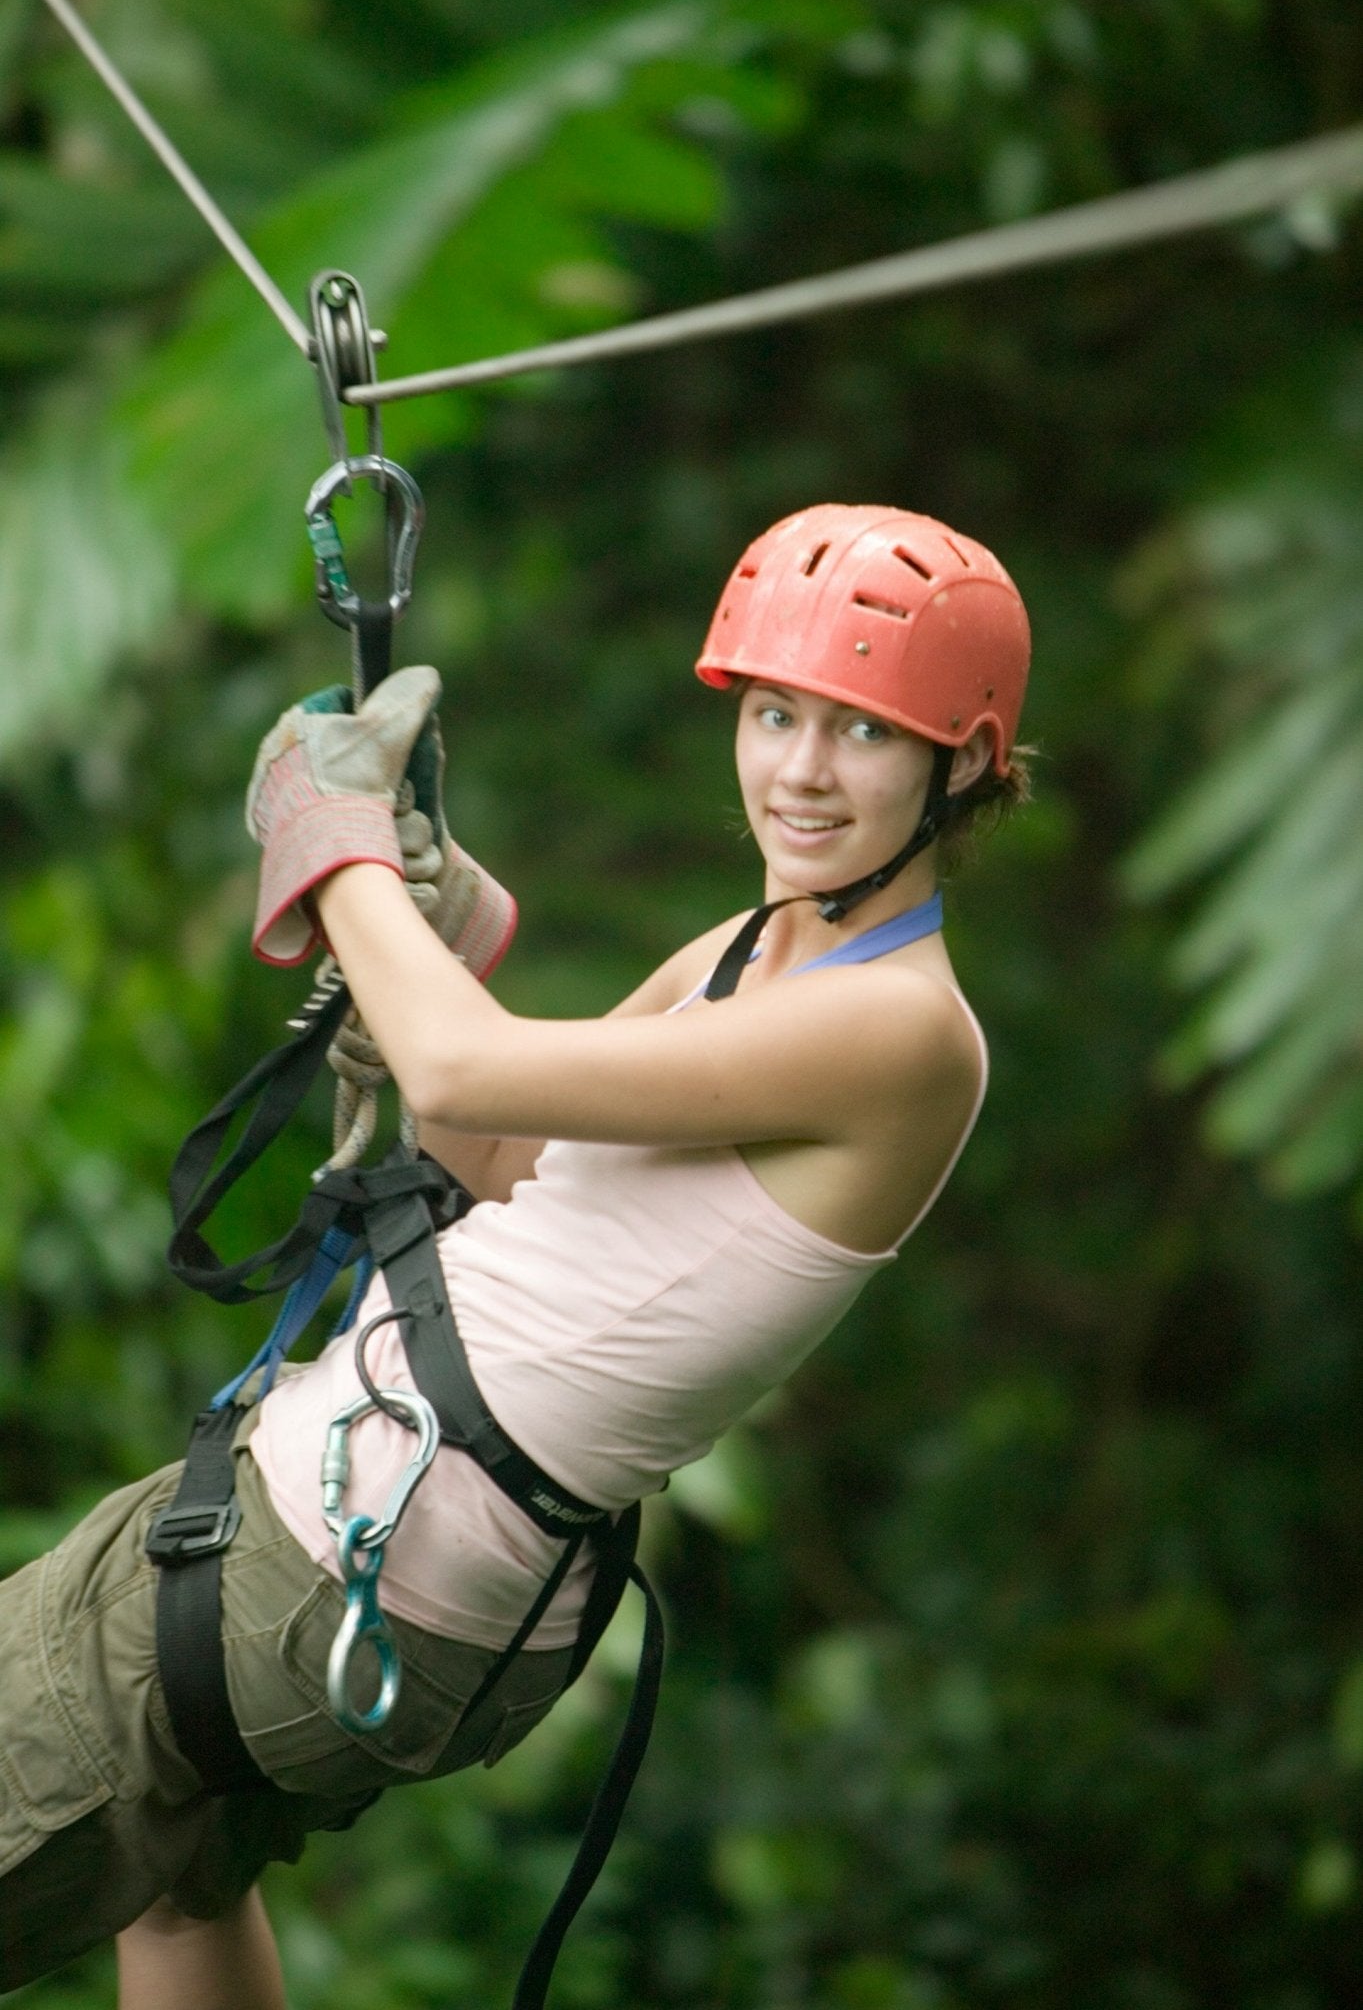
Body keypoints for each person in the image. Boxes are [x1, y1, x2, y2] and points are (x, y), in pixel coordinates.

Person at [0, 503, 1030, 2005]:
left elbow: (471, 1074)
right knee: (169, 1891)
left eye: (865, 732)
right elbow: (498, 1161)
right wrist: (424, 940)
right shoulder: (749, 951)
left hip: (356, 1551)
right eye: (776, 713)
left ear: (966, 764)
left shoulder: (906, 1032)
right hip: (364, 1544)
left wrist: (338, 844)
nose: (802, 770)